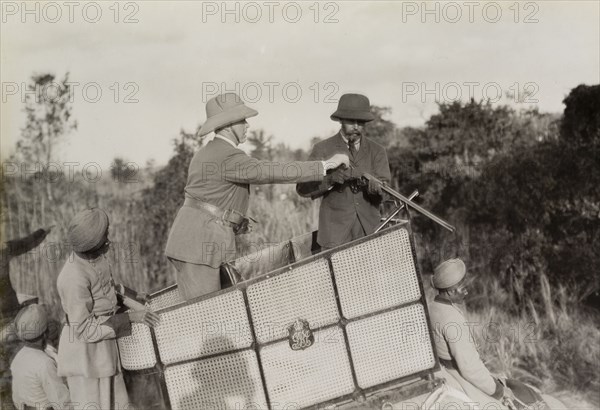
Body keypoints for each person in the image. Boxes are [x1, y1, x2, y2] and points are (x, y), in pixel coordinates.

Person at [165, 92, 349, 301]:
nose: (247, 126)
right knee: (209, 314)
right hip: (199, 247)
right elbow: (268, 170)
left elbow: (213, 198)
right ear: (228, 125)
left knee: (213, 311)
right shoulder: (227, 155)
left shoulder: (209, 152)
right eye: (242, 121)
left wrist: (236, 221)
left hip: (196, 243)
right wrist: (325, 165)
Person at [56, 208, 160, 409]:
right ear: (92, 244)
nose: (109, 241)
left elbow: (107, 289)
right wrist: (130, 318)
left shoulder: (96, 258)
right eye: (105, 236)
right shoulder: (72, 278)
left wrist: (133, 295)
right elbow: (84, 329)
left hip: (104, 347)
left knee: (117, 403)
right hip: (85, 355)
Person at [296, 93, 391, 250]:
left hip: (370, 232)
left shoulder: (377, 151)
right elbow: (302, 189)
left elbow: (387, 191)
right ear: (340, 120)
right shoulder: (323, 149)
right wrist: (329, 179)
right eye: (350, 120)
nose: (355, 126)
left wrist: (377, 190)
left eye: (360, 122)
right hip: (334, 236)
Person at [428, 258, 516, 407]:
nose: (467, 291)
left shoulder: (432, 307)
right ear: (449, 291)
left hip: (440, 372)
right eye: (462, 287)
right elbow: (469, 367)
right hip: (456, 376)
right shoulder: (452, 318)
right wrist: (499, 391)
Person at [10, 304, 70, 410]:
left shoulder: (18, 358)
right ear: (45, 334)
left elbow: (17, 399)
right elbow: (62, 403)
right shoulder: (45, 363)